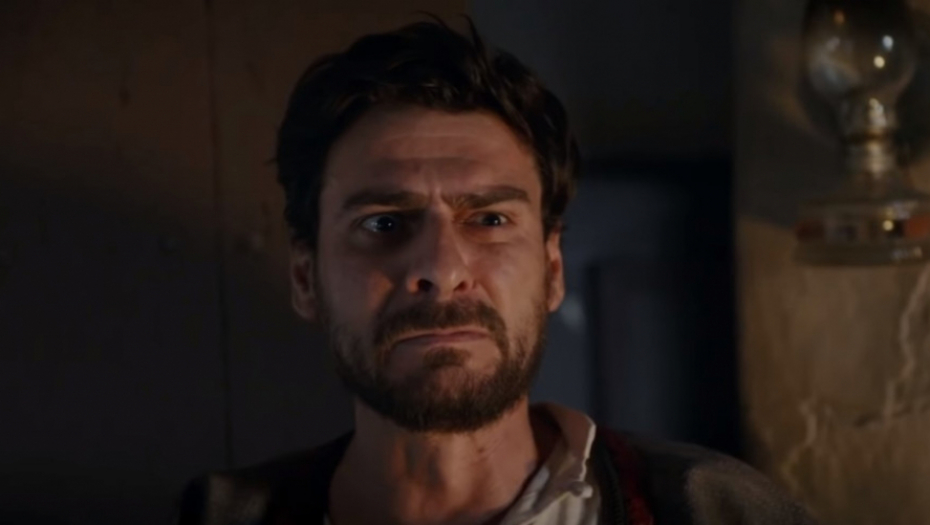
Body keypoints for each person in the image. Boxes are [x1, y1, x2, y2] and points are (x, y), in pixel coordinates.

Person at [178, 18, 816, 525]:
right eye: (383, 223)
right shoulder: (221, 516)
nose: (442, 268)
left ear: (553, 268)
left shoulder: (718, 510)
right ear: (305, 278)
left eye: (489, 219)